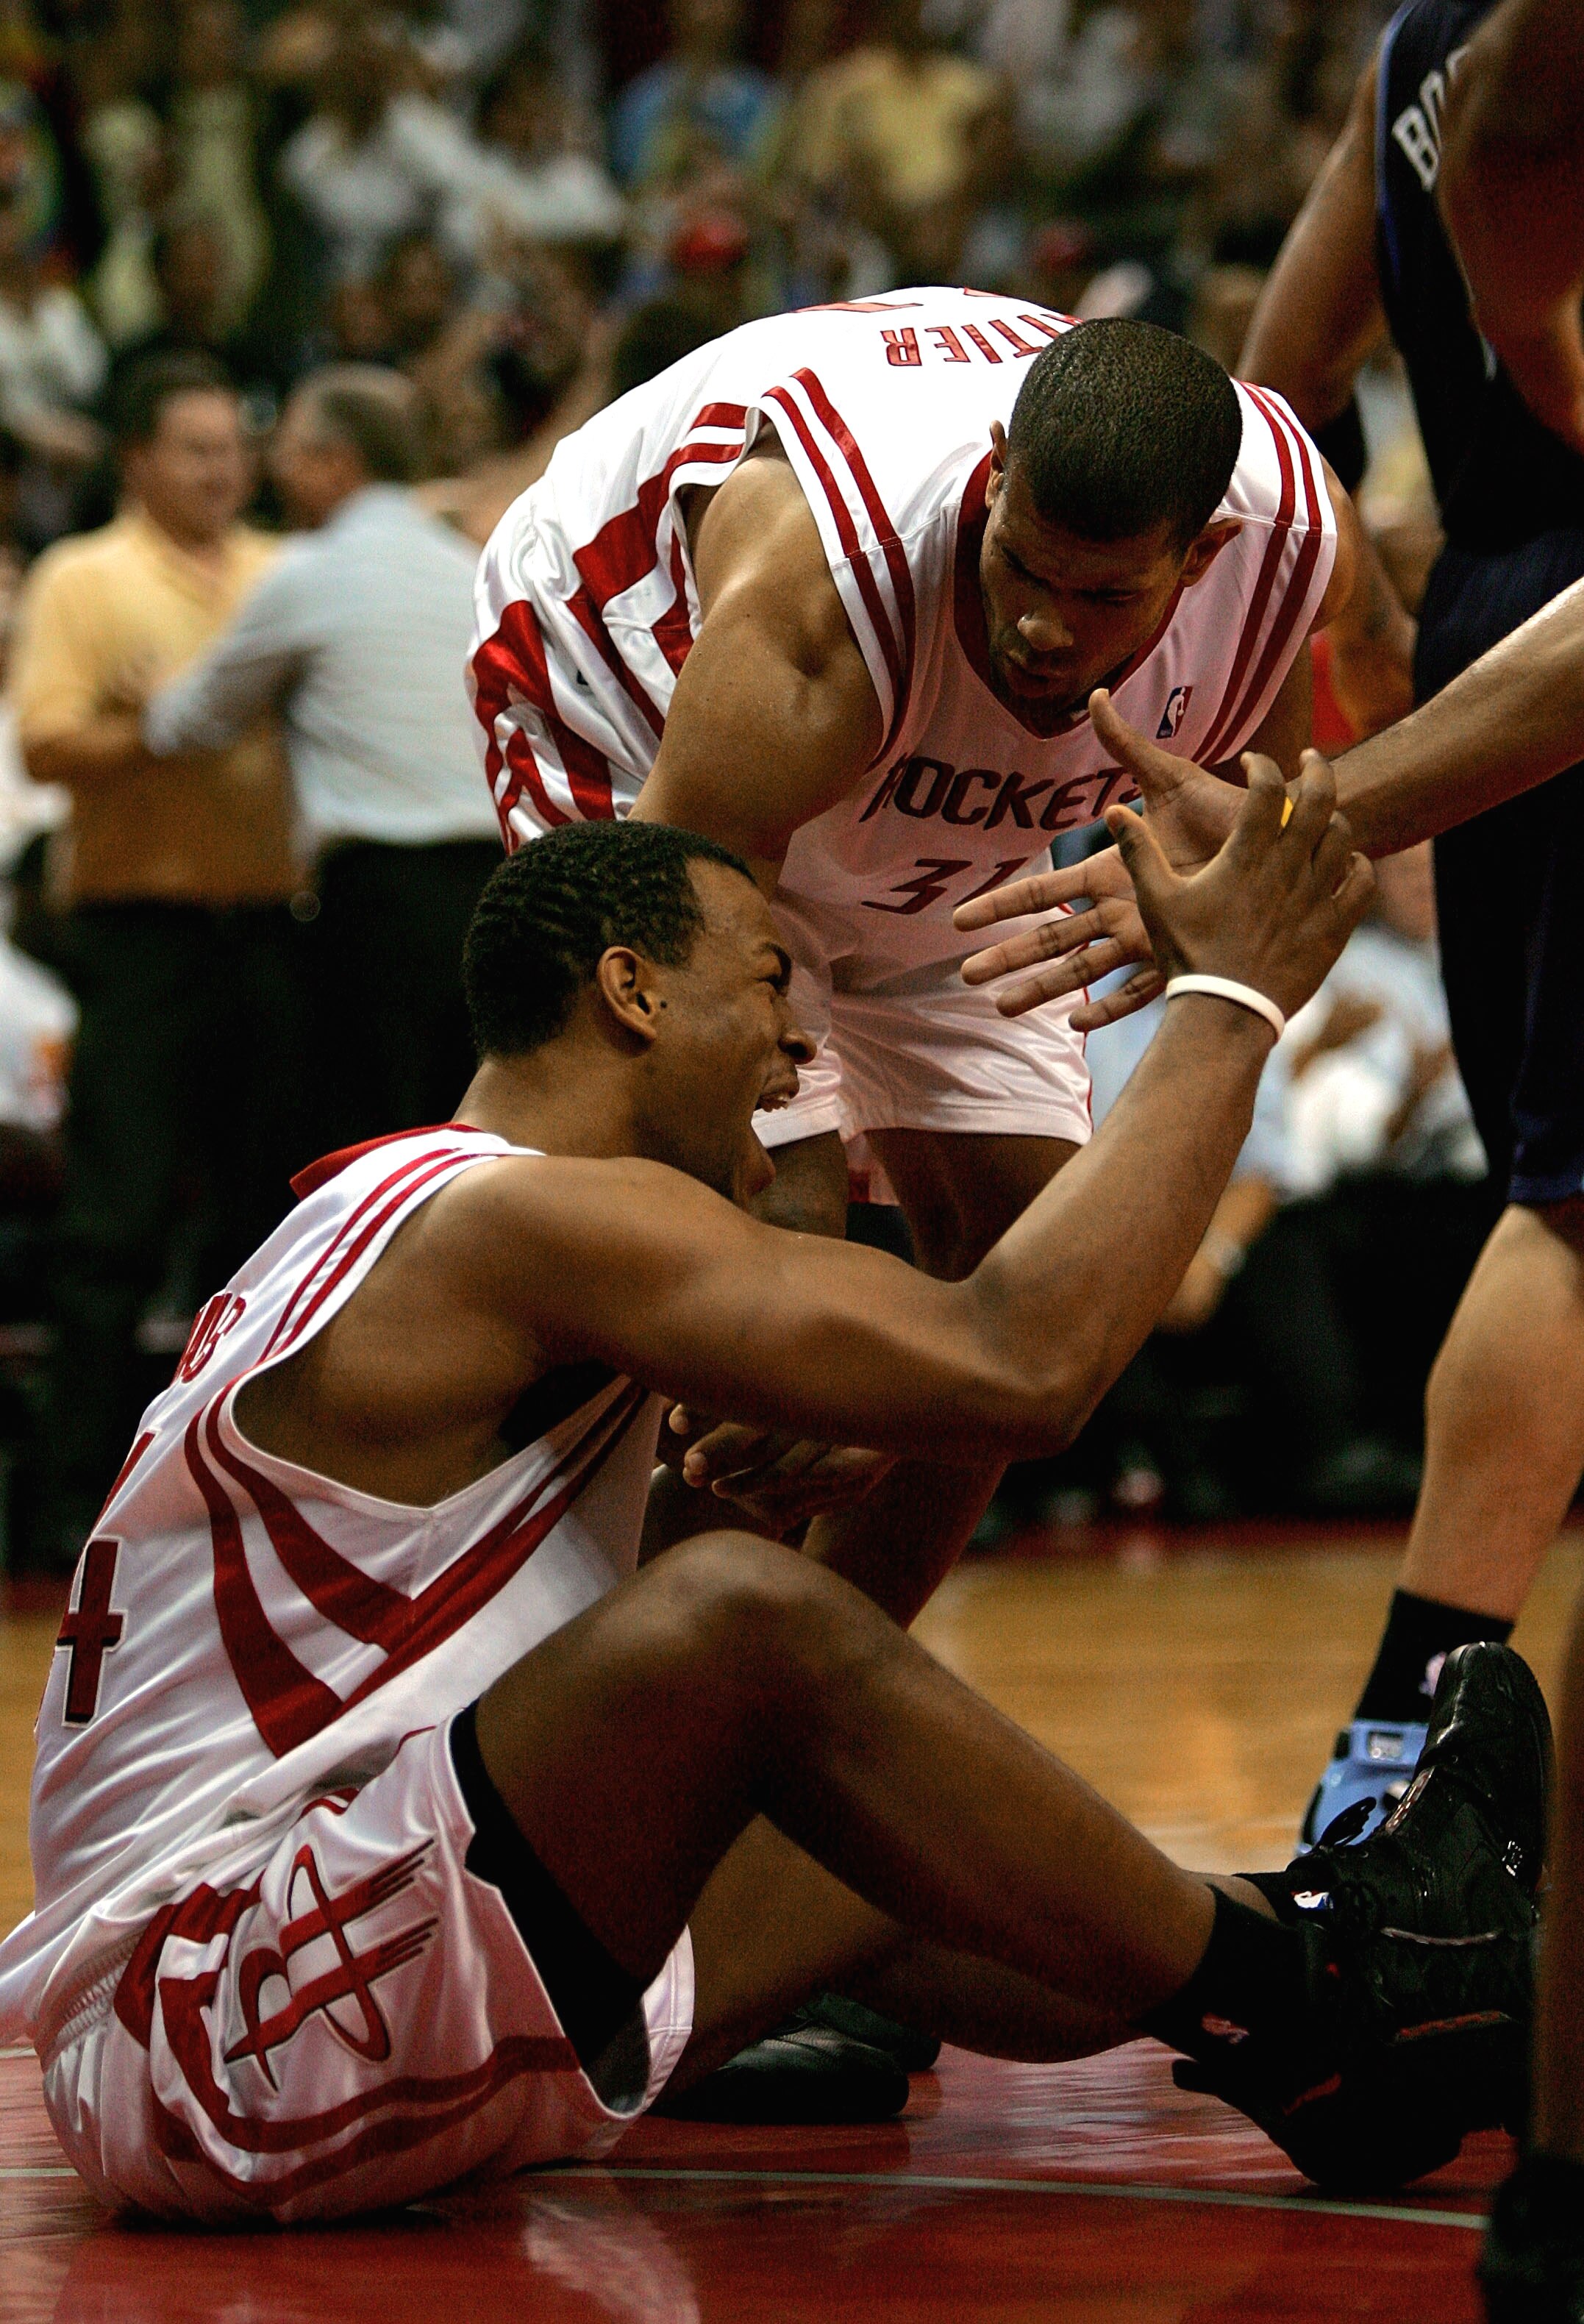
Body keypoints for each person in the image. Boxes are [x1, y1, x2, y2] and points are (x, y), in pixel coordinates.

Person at [0, 802, 1551, 2226]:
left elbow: (525, 1658)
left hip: (248, 1995)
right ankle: (1332, 1985)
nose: (793, 1039)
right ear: (632, 989)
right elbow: (1025, 1364)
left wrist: (843, 1441)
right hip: (215, 2024)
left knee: (875, 1821)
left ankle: (1436, 2002)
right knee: (743, 1618)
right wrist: (1232, 1002)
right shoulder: (523, 1213)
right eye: (765, 981)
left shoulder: (386, 1217)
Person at [470, 298, 1360, 1597]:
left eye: (1102, 593)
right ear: (991, 483)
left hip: (923, 803)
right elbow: (681, 940)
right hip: (640, 705)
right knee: (764, 1273)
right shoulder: (823, 586)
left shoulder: (1293, 543)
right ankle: (610, 1712)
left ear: (1203, 552)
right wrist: (813, 1320)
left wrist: (886, 1379)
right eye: (1023, 568)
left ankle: (812, 1703)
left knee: (1022, 1300)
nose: (1046, 627)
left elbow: (1378, 672)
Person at [9, 349, 307, 1570]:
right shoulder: (85, 578)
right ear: (136, 460)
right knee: (114, 1225)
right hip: (141, 936)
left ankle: (235, 1500)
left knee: (267, 1232)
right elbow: (41, 748)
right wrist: (163, 724)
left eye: (234, 446)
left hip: (277, 932)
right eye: (195, 450)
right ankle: (73, 1505)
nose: (223, 468)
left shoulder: (289, 570)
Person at [144, 366, 503, 1151]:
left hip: (378, 898)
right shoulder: (470, 570)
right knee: (472, 1145)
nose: (275, 469)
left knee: (371, 1148)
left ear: (339, 462)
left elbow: (187, 724)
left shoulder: (310, 574)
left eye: (294, 451)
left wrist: (155, 686)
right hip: (498, 891)